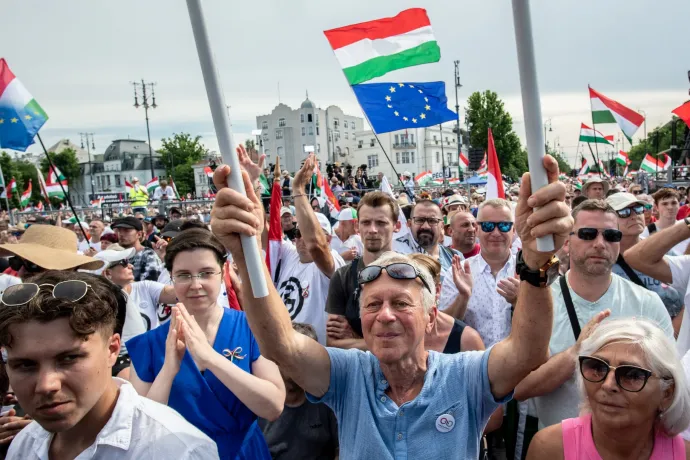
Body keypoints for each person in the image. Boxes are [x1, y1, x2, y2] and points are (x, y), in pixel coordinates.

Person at [210, 154, 573, 458]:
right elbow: (281, 345)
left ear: (431, 317)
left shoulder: (464, 376)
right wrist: (245, 255)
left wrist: (536, 261)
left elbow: (527, 352)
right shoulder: (348, 375)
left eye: (401, 303)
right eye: (372, 305)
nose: (384, 315)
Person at [0, 271, 219, 459]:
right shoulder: (24, 445)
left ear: (112, 349)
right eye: (25, 365)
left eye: (69, 359)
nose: (46, 385)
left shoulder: (177, 451)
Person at [514, 199, 673, 431]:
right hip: (559, 447)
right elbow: (519, 388)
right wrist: (575, 355)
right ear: (567, 242)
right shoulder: (539, 304)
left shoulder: (647, 303)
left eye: (611, 236)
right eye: (588, 234)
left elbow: (669, 385)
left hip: (631, 446)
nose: (600, 243)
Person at [127, 229, 285, 459]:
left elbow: (273, 407)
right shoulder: (148, 345)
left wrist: (211, 360)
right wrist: (169, 369)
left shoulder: (251, 327)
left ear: (223, 273)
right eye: (183, 275)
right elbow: (142, 431)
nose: (196, 284)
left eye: (206, 273)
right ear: (171, 277)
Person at [527, 318, 690, 459]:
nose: (608, 385)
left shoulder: (684, 454)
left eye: (632, 375)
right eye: (598, 368)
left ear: (666, 394)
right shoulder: (551, 448)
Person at [272, 155, 346, 344]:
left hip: (314, 353)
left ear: (328, 239)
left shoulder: (333, 262)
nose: (300, 238)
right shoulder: (289, 255)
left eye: (307, 232)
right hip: (283, 349)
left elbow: (315, 246)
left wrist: (298, 190)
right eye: (298, 232)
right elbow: (264, 232)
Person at [440, 199, 519, 348]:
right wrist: (463, 297)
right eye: (488, 226)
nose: (496, 233)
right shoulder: (458, 272)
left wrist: (521, 301)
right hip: (473, 366)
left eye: (504, 226)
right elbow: (444, 327)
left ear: (513, 230)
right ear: (477, 230)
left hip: (518, 366)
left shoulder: (526, 271)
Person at [259, 323, 339, 460]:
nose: (297, 364)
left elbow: (341, 450)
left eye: (304, 357)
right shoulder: (260, 405)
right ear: (277, 359)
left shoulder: (327, 402)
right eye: (291, 356)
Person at [606, 193, 684, 331]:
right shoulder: (602, 258)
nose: (634, 215)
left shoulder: (662, 251)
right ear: (606, 220)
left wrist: (675, 333)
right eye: (624, 212)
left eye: (638, 209)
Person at [400, 199, 462, 282]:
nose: (426, 226)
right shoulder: (398, 257)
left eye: (432, 221)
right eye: (419, 220)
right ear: (409, 223)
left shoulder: (455, 256)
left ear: (442, 225)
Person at [111, 216, 163, 282]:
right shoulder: (116, 254)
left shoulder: (148, 255)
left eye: (127, 230)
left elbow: (149, 287)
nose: (121, 234)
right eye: (119, 231)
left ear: (139, 234)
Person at [642, 188, 690, 255]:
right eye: (664, 204)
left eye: (674, 203)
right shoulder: (647, 232)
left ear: (679, 205)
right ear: (656, 207)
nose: (670, 207)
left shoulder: (686, 227)